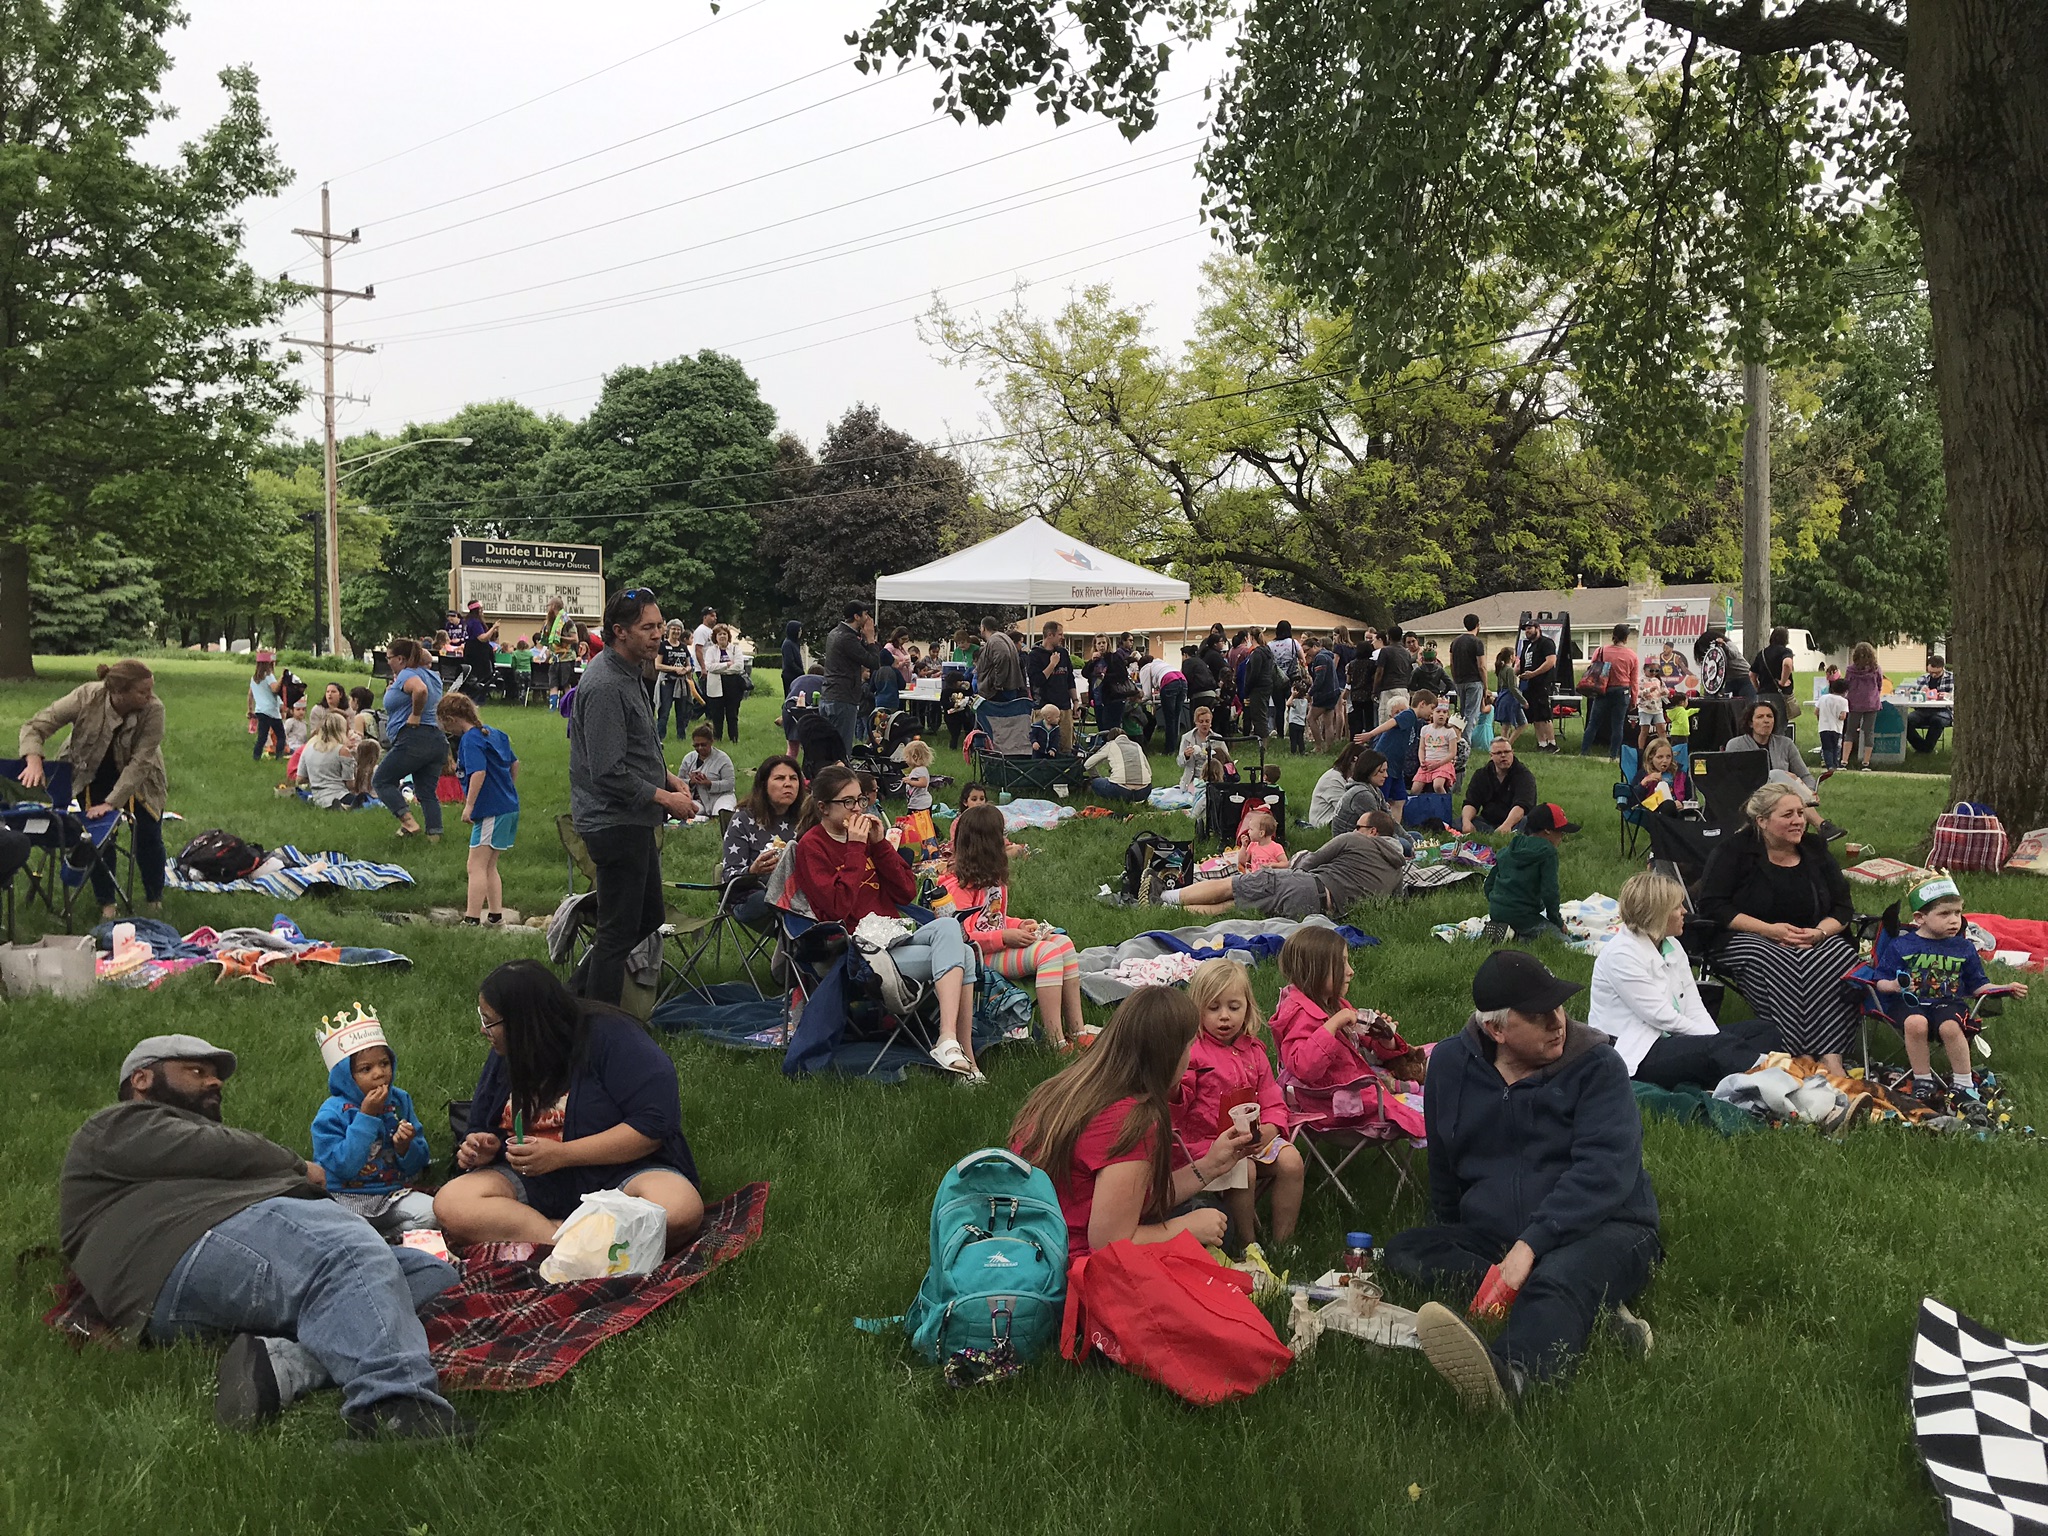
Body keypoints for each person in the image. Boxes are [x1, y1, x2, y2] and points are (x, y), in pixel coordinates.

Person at [63, 1033, 470, 1440]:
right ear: (141, 1080)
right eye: (197, 1071)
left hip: (199, 1273)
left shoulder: (172, 1152)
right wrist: (299, 1167)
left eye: (216, 1075)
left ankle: (281, 1364)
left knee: (429, 1274)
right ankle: (395, 1408)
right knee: (344, 1251)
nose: (214, 1081)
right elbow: (219, 1148)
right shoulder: (116, 1124)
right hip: (178, 1246)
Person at [1387, 950, 1659, 1411]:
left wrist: (1530, 1246)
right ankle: (1586, 1311)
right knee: (1405, 1251)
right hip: (1497, 1233)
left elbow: (1604, 1172)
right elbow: (1444, 1164)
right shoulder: (1451, 1064)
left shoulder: (1598, 1066)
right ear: (1497, 1030)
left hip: (1607, 1225)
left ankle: (1513, 1378)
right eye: (1538, 1015)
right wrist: (1452, 1231)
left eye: (1559, 1006)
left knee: (1561, 1272)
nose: (1558, 1022)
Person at [436, 960, 704, 1249]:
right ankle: (574, 1242)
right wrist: (482, 1146)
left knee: (679, 1209)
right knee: (451, 1203)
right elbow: (480, 1125)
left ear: (524, 1022)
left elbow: (653, 1128)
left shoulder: (614, 1038)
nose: (483, 1029)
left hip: (620, 1174)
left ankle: (546, 1238)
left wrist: (563, 1155)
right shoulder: (508, 1052)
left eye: (490, 1021)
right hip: (532, 1181)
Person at [1009, 986, 1250, 1260]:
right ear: (1169, 1056)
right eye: (1188, 1046)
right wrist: (1186, 1228)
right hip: (1070, 1261)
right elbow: (1108, 1244)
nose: (1191, 1057)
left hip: (1032, 1240)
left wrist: (1212, 1164)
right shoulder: (1131, 1122)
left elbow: (1134, 1198)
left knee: (1206, 1212)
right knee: (1211, 1220)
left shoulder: (1071, 1088)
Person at [789, 764, 982, 1080]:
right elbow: (837, 908)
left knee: (949, 927)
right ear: (823, 808)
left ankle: (950, 1042)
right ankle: (963, 1057)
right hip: (857, 953)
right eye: (847, 802)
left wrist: (879, 845)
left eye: (860, 800)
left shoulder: (868, 840)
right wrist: (855, 848)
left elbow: (906, 891)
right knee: (963, 955)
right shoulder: (812, 847)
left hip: (894, 936)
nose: (857, 809)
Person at [567, 589, 700, 1004]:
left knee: (648, 916)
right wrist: (665, 798)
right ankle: (597, 1023)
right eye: (648, 627)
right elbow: (607, 771)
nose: (658, 634)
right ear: (619, 631)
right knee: (617, 932)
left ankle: (568, 1001)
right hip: (613, 821)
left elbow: (635, 748)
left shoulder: (630, 671)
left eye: (659, 625)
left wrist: (668, 778)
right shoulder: (605, 684)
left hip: (634, 817)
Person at [1697, 782, 1860, 1073]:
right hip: (1747, 935)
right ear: (1762, 821)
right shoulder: (1733, 852)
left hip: (1812, 935)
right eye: (1788, 815)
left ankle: (1832, 1056)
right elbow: (1713, 906)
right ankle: (1796, 1055)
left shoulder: (1815, 849)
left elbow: (1843, 907)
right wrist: (1768, 930)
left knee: (1840, 956)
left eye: (1801, 813)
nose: (1798, 820)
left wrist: (1820, 933)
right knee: (1779, 961)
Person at [1587, 871, 1780, 1088]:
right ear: (1657, 913)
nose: (1684, 911)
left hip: (1674, 1038)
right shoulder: (1621, 955)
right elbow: (1661, 1017)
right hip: (1638, 1050)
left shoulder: (1672, 945)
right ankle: (1772, 1080)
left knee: (1764, 1031)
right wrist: (1715, 1043)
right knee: (1718, 1048)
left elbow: (1693, 1005)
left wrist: (1716, 1040)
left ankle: (1746, 1076)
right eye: (1677, 907)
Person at [17, 659, 168, 919]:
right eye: (143, 691)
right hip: (90, 771)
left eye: (150, 690)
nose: (150, 696)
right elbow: (36, 726)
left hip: (141, 777)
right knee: (99, 838)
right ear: (118, 692)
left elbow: (141, 761)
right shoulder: (86, 696)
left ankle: (155, 899)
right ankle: (107, 903)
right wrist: (33, 760)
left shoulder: (154, 709)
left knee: (149, 836)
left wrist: (112, 803)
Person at [1172, 959, 1304, 1249]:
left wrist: (1270, 1130)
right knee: (1245, 1169)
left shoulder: (1253, 1051)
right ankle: (1248, 1244)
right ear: (1196, 1009)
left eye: (1234, 1007)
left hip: (1253, 1139)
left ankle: (1284, 1243)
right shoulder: (1193, 1053)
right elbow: (1177, 1107)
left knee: (1292, 1161)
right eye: (1213, 1008)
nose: (1224, 1017)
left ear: (1247, 1007)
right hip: (1205, 1146)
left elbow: (1273, 1101)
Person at [940, 804, 1087, 1051]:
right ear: (988, 842)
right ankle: (1055, 1041)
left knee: (1064, 943)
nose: (1005, 840)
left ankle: (1077, 1029)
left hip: (996, 946)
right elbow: (961, 936)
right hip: (977, 959)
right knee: (1048, 954)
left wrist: (1019, 924)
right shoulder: (957, 886)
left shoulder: (992, 878)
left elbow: (993, 918)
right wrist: (1004, 937)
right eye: (1001, 834)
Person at [1875, 876, 2024, 1117]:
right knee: (1916, 1023)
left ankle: (1964, 1083)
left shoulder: (1963, 948)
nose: (1954, 920)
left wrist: (2005, 987)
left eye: (1958, 912)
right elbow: (1879, 981)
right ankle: (1923, 1079)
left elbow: (1978, 985)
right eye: (1944, 914)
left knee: (1951, 1027)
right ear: (1920, 918)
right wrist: (1894, 985)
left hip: (1948, 1003)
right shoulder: (1901, 946)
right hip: (1908, 1003)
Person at [310, 1008, 435, 1233]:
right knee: (348, 1231)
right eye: (366, 1069)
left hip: (391, 1194)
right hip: (345, 1196)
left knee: (431, 1213)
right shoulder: (331, 1113)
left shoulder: (399, 1101)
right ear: (345, 1077)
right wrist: (366, 1117)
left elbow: (418, 1163)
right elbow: (343, 1167)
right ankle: (377, 1239)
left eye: (384, 1063)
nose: (379, 1073)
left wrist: (405, 1147)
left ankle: (385, 1237)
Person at [1160, 813, 1408, 917]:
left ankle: (1165, 897)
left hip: (1305, 885)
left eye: (1359, 826)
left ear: (1373, 831)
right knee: (1232, 906)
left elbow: (1310, 862)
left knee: (1232, 886)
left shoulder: (1354, 840)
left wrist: (1287, 874)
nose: (1354, 829)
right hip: (1322, 911)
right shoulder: (1397, 869)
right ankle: (1171, 911)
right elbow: (1395, 903)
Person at [1271, 923, 1415, 1090]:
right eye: (1341, 964)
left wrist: (1384, 1038)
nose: (1351, 971)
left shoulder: (1335, 1004)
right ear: (1315, 970)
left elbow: (1364, 1041)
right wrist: (1333, 1025)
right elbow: (1304, 1069)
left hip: (1349, 1086)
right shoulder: (1299, 1016)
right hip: (1329, 1099)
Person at [437, 691, 520, 926]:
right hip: (508, 806)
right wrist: (507, 788)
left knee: (475, 866)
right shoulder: (494, 733)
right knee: (489, 865)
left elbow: (479, 772)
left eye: (445, 724)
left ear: (451, 719)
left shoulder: (471, 740)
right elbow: (514, 763)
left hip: (490, 809)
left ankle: (472, 919)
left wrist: (469, 805)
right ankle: (495, 916)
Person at [1724, 697, 1836, 836]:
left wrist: (1810, 790)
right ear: (1750, 723)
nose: (1766, 720)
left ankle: (1816, 824)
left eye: (1769, 716)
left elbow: (1805, 775)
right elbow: (1733, 779)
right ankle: (1821, 825)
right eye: (1760, 717)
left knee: (1789, 795)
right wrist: (1785, 777)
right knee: (1776, 775)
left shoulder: (1786, 744)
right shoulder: (1736, 745)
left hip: (1785, 798)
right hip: (1752, 796)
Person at [371, 637, 446, 841]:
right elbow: (427, 658)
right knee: (426, 792)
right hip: (437, 740)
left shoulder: (407, 674)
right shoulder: (433, 675)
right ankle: (435, 838)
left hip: (414, 739)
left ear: (401, 659)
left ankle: (408, 823)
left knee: (381, 781)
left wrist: (415, 714)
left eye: (389, 658)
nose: (388, 662)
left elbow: (420, 690)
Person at [719, 755, 804, 925]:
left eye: (793, 778)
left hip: (797, 891)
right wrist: (753, 870)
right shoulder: (743, 819)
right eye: (780, 778)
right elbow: (728, 875)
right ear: (764, 785)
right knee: (784, 900)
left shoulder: (805, 818)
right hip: (749, 895)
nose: (788, 784)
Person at [1484, 803, 1577, 939]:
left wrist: (1497, 904)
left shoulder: (1511, 848)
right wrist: (1557, 921)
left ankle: (1504, 930)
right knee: (1561, 940)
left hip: (1496, 912)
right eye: (1560, 831)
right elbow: (1549, 891)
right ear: (1547, 830)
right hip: (1524, 917)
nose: (1562, 836)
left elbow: (1488, 884)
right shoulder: (1548, 852)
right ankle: (1515, 937)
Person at [820, 601, 881, 755]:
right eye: (865, 614)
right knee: (842, 749)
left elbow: (859, 654)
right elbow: (874, 662)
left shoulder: (834, 633)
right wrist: (871, 638)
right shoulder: (847, 638)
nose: (868, 618)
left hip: (829, 695)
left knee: (828, 748)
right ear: (856, 616)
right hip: (843, 698)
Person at [1354, 686, 1436, 800]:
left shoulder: (1414, 720)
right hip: (1387, 763)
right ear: (1422, 704)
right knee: (1382, 798)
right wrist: (1371, 734)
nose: (1432, 712)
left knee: (1400, 800)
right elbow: (1392, 722)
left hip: (1397, 767)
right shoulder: (1409, 714)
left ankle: (1394, 813)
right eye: (1432, 708)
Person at [1579, 623, 1639, 759]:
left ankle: (1584, 752)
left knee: (1593, 723)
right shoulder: (1632, 655)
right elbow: (1634, 681)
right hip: (1622, 691)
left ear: (1613, 635)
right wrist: (1634, 698)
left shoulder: (1601, 651)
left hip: (1603, 690)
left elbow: (1593, 668)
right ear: (1626, 638)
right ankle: (1613, 755)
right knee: (1618, 725)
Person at [1461, 736, 1538, 837]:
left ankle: (1497, 833)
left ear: (1512, 752)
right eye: (1498, 753)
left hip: (1516, 821)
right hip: (1488, 820)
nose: (1503, 756)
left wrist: (1507, 826)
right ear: (1491, 756)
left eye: (1507, 752)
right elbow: (1471, 802)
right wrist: (1466, 822)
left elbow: (1522, 805)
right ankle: (1490, 832)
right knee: (1459, 821)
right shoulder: (1481, 774)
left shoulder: (1524, 775)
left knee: (1528, 822)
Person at [295, 711, 370, 809]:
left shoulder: (308, 749)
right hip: (340, 794)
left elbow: (300, 779)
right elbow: (350, 784)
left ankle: (341, 807)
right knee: (367, 802)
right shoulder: (342, 751)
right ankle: (345, 807)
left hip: (318, 798)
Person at [1028, 621, 1078, 751]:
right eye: (1060, 634)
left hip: (1064, 707)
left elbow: (1070, 679)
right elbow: (1037, 681)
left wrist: (1075, 701)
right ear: (1050, 635)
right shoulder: (1034, 655)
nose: (1063, 637)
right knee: (1044, 748)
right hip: (1044, 708)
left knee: (1065, 747)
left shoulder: (1063, 653)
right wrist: (1052, 665)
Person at [1514, 618, 1559, 751]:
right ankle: (1542, 743)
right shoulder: (1527, 645)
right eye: (1525, 629)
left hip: (1542, 683)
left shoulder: (1546, 643)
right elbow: (1521, 665)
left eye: (1530, 628)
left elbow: (1551, 661)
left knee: (1544, 714)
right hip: (1528, 685)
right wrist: (1510, 674)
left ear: (1537, 628)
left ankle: (1552, 744)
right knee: (1535, 715)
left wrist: (1534, 673)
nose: (1527, 631)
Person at [676, 722, 737, 819]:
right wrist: (691, 782)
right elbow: (678, 782)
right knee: (683, 811)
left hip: (720, 796)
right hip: (698, 800)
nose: (700, 748)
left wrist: (709, 784)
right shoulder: (688, 759)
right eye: (696, 745)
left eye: (703, 745)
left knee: (722, 814)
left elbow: (730, 783)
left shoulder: (723, 759)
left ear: (711, 742)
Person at [699, 623, 746, 742]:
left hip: (733, 686)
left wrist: (720, 669)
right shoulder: (710, 650)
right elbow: (709, 667)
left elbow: (739, 666)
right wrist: (726, 665)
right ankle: (717, 738)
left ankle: (734, 738)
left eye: (724, 634)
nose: (722, 636)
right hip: (715, 686)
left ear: (728, 636)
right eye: (719, 634)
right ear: (715, 637)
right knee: (717, 715)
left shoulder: (735, 649)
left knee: (732, 714)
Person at [1084, 723, 1153, 803]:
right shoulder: (1136, 745)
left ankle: (1111, 801)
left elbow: (1088, 764)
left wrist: (1095, 776)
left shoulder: (1111, 745)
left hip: (1120, 790)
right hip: (1144, 791)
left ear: (1110, 738)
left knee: (1095, 783)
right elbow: (1149, 772)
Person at [1844, 641, 1885, 769]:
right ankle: (1866, 762)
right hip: (1872, 703)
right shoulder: (1876, 669)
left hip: (1854, 703)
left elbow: (1846, 684)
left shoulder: (1850, 670)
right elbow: (1880, 684)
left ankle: (1844, 760)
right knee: (1869, 732)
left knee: (1850, 731)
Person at [1330, 750, 1391, 836]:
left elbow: (1390, 821)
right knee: (1403, 843)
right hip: (1351, 840)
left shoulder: (1375, 790)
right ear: (1369, 771)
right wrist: (1397, 841)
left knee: (1410, 836)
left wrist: (1407, 837)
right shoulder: (1362, 794)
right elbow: (1379, 828)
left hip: (1367, 836)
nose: (1386, 775)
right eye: (1381, 771)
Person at [1450, 613, 1487, 745]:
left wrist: (1455, 679)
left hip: (1460, 681)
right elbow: (1481, 666)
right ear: (1478, 625)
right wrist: (1485, 686)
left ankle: (1458, 738)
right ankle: (1465, 743)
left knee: (1463, 713)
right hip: (1474, 681)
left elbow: (1452, 663)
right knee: (1471, 714)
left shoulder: (1455, 642)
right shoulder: (1477, 642)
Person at [1176, 704, 1232, 791]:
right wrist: (1185, 755)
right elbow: (1180, 763)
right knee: (1198, 792)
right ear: (1196, 722)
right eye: (1201, 721)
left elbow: (1228, 761)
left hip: (1214, 779)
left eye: (1207, 721)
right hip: (1193, 780)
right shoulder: (1187, 738)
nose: (1204, 724)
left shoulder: (1218, 738)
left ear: (1211, 722)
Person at [1906, 656, 1955, 754]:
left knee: (1937, 721)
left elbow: (1959, 696)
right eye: (1931, 672)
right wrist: (1918, 692)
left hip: (1944, 711)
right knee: (1905, 721)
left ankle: (1925, 749)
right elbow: (1908, 692)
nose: (1933, 675)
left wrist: (1948, 695)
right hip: (1923, 710)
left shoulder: (1952, 678)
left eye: (1937, 673)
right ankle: (1924, 748)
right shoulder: (1923, 678)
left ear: (1942, 668)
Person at [1308, 743, 1364, 828]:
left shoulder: (1347, 777)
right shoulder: (1333, 779)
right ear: (1353, 760)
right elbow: (1345, 810)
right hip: (1324, 823)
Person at [654, 619, 693, 740]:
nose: (676, 631)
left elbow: (689, 665)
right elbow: (657, 665)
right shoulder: (663, 645)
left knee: (682, 711)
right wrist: (674, 669)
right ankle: (660, 737)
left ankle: (681, 737)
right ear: (668, 630)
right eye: (674, 629)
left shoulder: (683, 647)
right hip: (667, 681)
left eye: (678, 629)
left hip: (681, 682)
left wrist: (686, 669)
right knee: (664, 711)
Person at [1411, 698, 1460, 793]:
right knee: (1415, 789)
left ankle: (1444, 800)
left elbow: (1452, 753)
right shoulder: (1425, 729)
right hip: (1427, 763)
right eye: (1438, 711)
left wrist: (1438, 764)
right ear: (1432, 713)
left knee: (1437, 785)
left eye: (1444, 712)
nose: (1441, 714)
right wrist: (1422, 761)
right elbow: (1421, 748)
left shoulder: (1449, 731)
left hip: (1442, 764)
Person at [975, 614, 1025, 702]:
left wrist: (998, 684)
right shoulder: (1003, 637)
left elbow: (1002, 657)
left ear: (983, 628)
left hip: (1001, 692)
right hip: (1007, 688)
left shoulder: (995, 640)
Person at [1373, 625, 1414, 727]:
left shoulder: (1385, 651)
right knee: (1403, 721)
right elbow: (1409, 672)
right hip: (1403, 689)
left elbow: (1379, 672)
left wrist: (1375, 690)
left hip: (1388, 688)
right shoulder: (1406, 653)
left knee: (1385, 721)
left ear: (1388, 637)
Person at [249, 655, 286, 761]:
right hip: (271, 711)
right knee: (281, 736)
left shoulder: (254, 679)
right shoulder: (269, 676)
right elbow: (275, 689)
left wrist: (250, 709)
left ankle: (256, 756)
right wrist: (282, 677)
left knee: (262, 736)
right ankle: (279, 757)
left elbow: (250, 695)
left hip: (260, 711)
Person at [460, 600, 499, 696]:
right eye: (481, 608)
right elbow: (482, 638)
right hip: (478, 652)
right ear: (478, 610)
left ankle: (473, 693)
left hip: (469, 649)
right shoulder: (475, 622)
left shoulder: (467, 621)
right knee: (480, 674)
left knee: (471, 674)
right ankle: (478, 695)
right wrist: (493, 628)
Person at [1490, 645, 1526, 745]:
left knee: (1505, 726)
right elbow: (1513, 687)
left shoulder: (1501, 669)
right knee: (1522, 723)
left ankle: (1503, 744)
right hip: (1510, 698)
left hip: (1502, 696)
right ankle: (1508, 744)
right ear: (1511, 657)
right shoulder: (1510, 670)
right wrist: (1523, 701)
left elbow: (1499, 687)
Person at [1235, 807, 1288, 872]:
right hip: (1256, 876)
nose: (1248, 832)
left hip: (1271, 876)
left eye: (1251, 829)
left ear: (1261, 833)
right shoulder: (1253, 845)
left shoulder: (1276, 848)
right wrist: (1243, 846)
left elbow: (1286, 864)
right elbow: (1242, 861)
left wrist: (1274, 865)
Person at [1815, 676, 1850, 772]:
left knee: (1826, 747)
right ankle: (1835, 764)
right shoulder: (1844, 701)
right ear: (1845, 691)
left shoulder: (1823, 698)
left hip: (1823, 727)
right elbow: (1843, 716)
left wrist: (1820, 719)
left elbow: (1816, 711)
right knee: (1835, 747)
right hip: (1837, 728)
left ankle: (1829, 765)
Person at [899, 738, 935, 813]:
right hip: (919, 803)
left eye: (907, 757)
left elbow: (923, 783)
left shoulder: (919, 770)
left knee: (914, 819)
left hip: (919, 805)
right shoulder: (920, 769)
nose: (905, 760)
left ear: (914, 757)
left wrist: (910, 782)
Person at [1284, 678, 1311, 755]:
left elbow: (1288, 703)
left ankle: (1293, 751)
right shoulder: (1305, 701)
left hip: (1293, 723)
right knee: (1300, 738)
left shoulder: (1295, 701)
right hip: (1301, 723)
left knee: (1293, 739)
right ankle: (1302, 751)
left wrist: (1292, 696)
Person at [779, 620, 805, 698]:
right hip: (790, 675)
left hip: (796, 675)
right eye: (799, 630)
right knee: (790, 696)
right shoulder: (788, 644)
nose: (800, 632)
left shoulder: (795, 643)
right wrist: (800, 671)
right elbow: (789, 662)